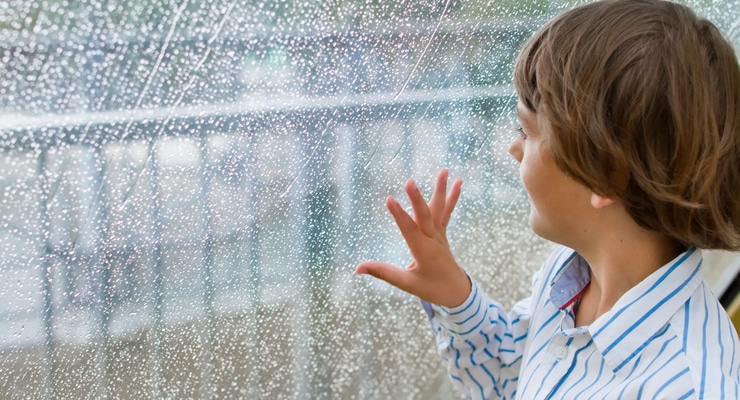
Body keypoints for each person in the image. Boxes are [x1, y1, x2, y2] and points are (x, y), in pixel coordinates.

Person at [355, 0, 740, 398]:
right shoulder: (570, 275)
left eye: (526, 130)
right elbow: (514, 379)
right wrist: (456, 296)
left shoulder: (688, 387)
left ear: (605, 175)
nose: (513, 148)